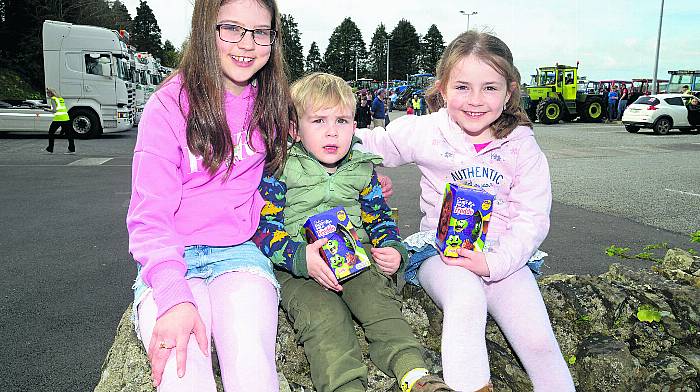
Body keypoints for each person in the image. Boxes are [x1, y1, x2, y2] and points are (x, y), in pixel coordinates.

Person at [356, 31, 575, 391]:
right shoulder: (426, 131)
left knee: (538, 340)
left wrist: (495, 263)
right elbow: (363, 142)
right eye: (462, 87)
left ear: (510, 91)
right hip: (440, 253)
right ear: (442, 89)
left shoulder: (522, 146)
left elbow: (532, 217)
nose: (475, 101)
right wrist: (355, 163)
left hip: (504, 258)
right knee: (466, 298)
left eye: (489, 88)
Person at [125, 0, 293, 390]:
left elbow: (321, 142)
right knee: (183, 374)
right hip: (174, 256)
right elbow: (149, 216)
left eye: (261, 32)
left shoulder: (270, 102)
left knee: (252, 363)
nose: (247, 44)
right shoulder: (168, 106)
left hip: (239, 254)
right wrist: (172, 294)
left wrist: (368, 179)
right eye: (231, 28)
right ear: (205, 28)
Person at [252, 72, 454, 392]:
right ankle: (345, 387)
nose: (332, 131)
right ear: (294, 128)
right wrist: (299, 257)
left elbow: (379, 218)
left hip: (354, 260)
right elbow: (263, 229)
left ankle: (414, 373)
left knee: (380, 307)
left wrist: (392, 248)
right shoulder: (280, 169)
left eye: (342, 121)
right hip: (300, 271)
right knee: (324, 321)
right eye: (318, 121)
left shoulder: (361, 166)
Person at [45, 88, 75, 154]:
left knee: (51, 133)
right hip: (66, 118)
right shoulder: (61, 99)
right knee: (69, 134)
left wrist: (47, 110)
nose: (47, 94)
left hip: (58, 118)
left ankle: (50, 148)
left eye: (48, 93)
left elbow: (54, 110)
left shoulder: (53, 99)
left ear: (51, 93)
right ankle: (72, 149)